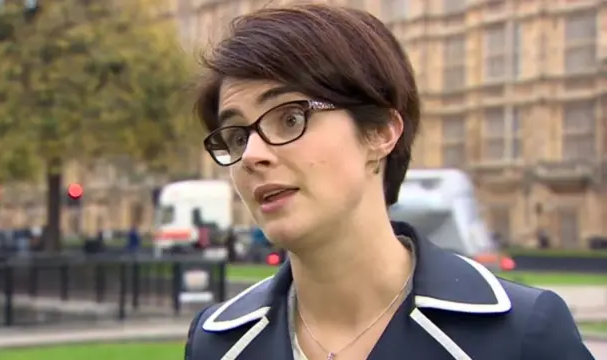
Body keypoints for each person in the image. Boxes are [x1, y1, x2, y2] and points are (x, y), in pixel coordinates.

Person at [186, 4, 593, 360]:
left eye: (290, 118)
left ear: (380, 131)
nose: (253, 154)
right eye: (238, 136)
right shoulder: (217, 343)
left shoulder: (521, 334)